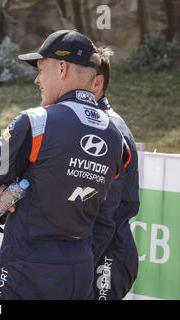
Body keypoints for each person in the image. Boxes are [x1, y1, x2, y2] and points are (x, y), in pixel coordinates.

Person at [0, 30, 125, 300]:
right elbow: (105, 214)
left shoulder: (36, 121)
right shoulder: (115, 135)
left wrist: (6, 189)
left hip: (27, 263)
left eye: (41, 70)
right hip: (80, 268)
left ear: (62, 67)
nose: (37, 79)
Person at [90, 47, 139, 300]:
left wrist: (78, 264)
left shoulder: (110, 128)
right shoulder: (92, 123)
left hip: (108, 254)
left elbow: (104, 216)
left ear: (97, 84)